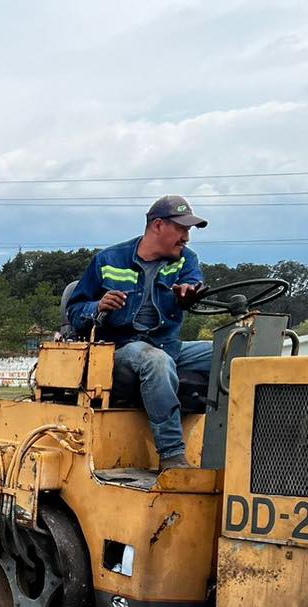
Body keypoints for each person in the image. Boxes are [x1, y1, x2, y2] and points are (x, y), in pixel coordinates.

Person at [65, 195, 210, 470]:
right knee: (154, 360)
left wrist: (189, 293)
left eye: (188, 231)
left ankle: (242, 445)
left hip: (168, 345)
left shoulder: (185, 260)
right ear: (158, 226)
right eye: (181, 229)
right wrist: (99, 306)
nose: (186, 238)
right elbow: (75, 311)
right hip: (120, 351)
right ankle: (172, 455)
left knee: (233, 352)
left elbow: (193, 282)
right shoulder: (108, 260)